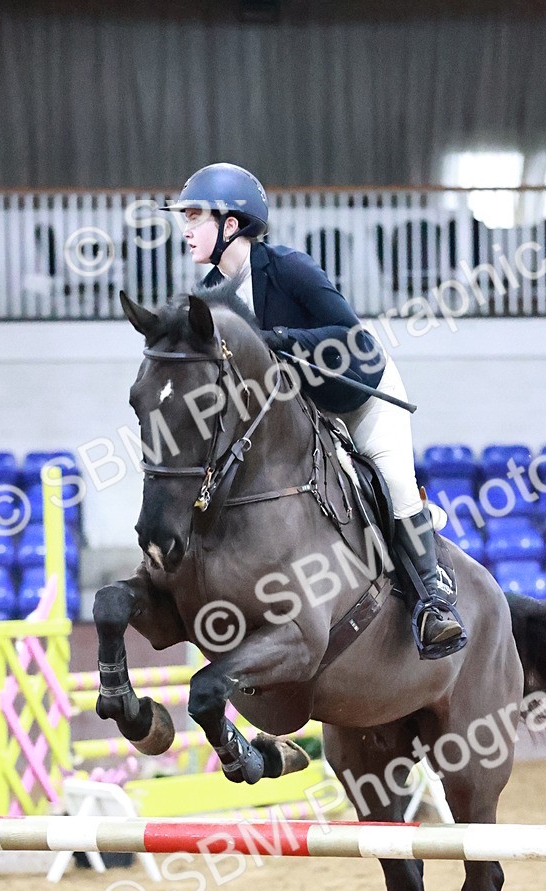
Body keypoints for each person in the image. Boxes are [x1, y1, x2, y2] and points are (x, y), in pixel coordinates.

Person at [163, 162, 465, 659]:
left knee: (393, 479)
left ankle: (434, 601)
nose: (185, 229)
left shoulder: (289, 268)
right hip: (300, 414)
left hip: (359, 395)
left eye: (195, 217)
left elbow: (353, 339)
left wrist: (279, 340)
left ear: (231, 225)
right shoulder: (210, 298)